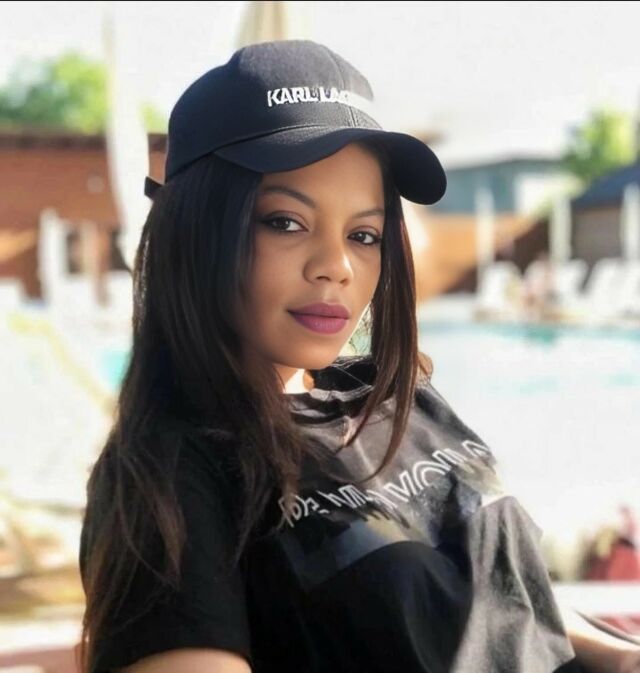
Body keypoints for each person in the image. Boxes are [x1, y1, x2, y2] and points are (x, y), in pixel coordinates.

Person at [77, 40, 639, 673]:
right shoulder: (172, 474)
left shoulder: (396, 397)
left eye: (364, 234)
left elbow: (504, 600)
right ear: (196, 227)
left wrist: (620, 659)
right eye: (286, 222)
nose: (337, 266)